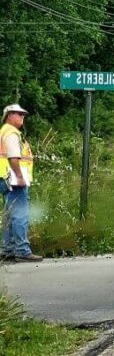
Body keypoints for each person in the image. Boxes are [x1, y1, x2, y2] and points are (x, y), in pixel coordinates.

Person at [1, 104, 40, 262]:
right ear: (9, 116)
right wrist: (19, 176)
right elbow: (13, 157)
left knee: (9, 213)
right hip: (13, 178)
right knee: (20, 213)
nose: (22, 117)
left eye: (23, 114)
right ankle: (22, 250)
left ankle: (7, 249)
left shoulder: (4, 131)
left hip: (4, 176)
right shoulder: (11, 133)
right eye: (19, 114)